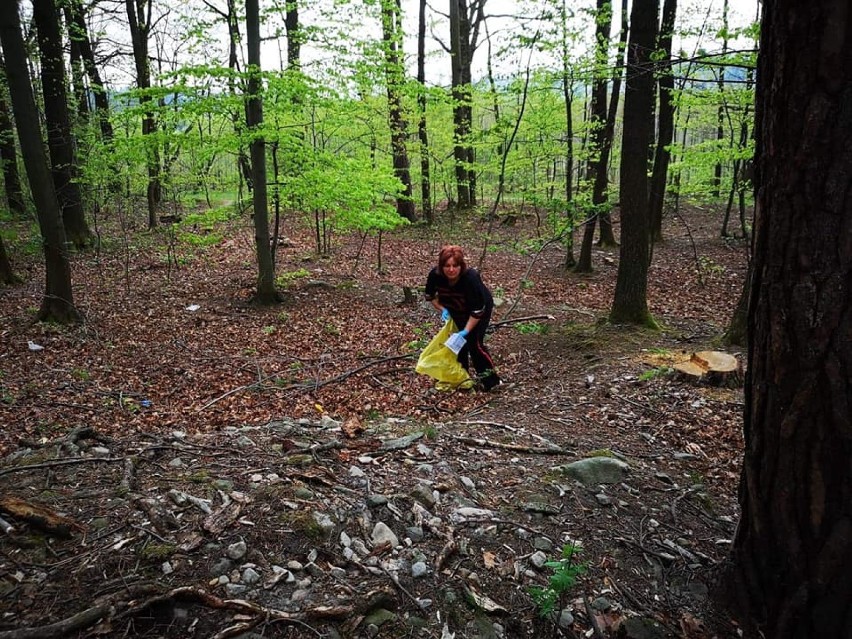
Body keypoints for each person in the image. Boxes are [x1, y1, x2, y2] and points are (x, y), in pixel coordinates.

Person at [424, 245, 501, 391]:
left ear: (461, 266)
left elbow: (477, 311)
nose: (451, 270)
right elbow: (430, 296)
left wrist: (465, 331)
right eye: (447, 266)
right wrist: (443, 309)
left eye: (455, 265)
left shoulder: (470, 279)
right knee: (457, 345)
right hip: (454, 310)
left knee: (474, 343)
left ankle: (492, 382)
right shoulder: (435, 275)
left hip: (478, 311)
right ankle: (462, 379)